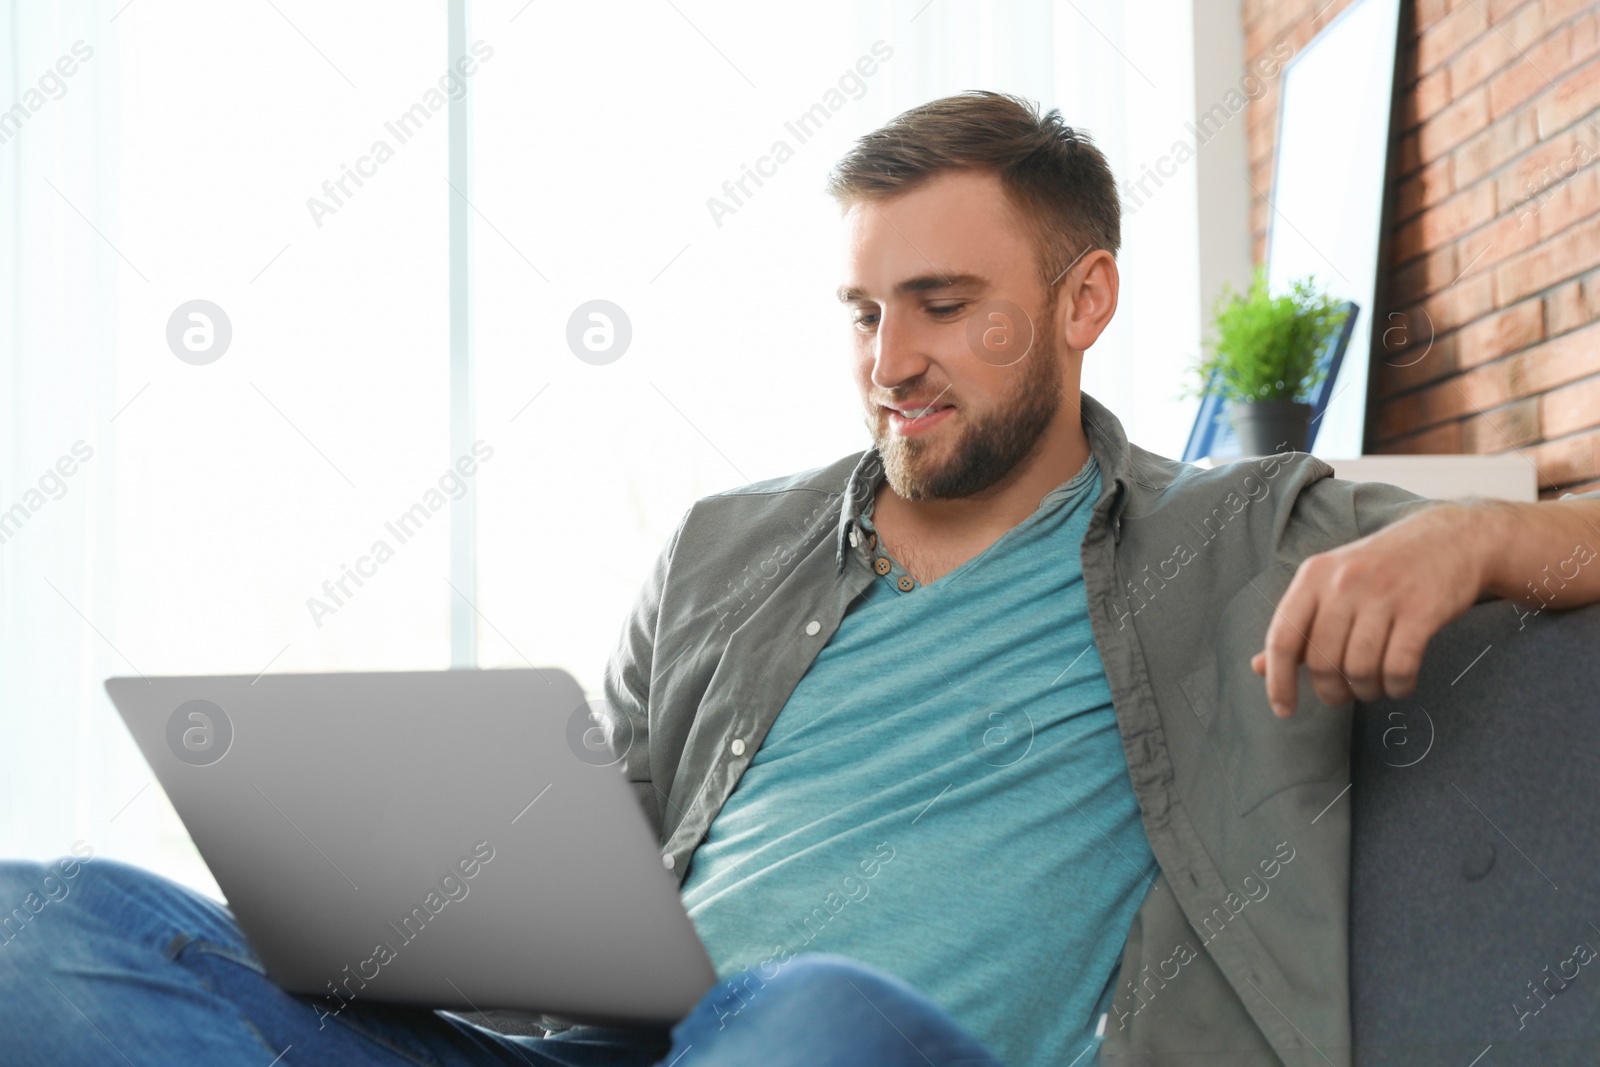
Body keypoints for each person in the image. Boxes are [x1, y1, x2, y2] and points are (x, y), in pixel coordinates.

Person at [4, 90, 1598, 1067]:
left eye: (942, 302)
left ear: (1082, 299)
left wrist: (1473, 533)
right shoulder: (723, 547)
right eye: (859, 312)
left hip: (853, 1049)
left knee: (798, 1020)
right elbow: (599, 876)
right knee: (52, 923)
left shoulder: (1238, 527)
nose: (888, 360)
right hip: (612, 1057)